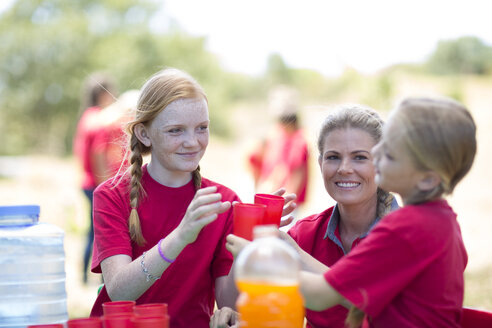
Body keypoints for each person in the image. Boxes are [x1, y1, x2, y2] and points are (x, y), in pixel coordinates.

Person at [89, 68, 295, 327]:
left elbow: (228, 304)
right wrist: (181, 235)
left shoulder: (223, 201)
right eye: (176, 130)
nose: (192, 142)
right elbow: (119, 291)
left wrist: (252, 247)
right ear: (144, 134)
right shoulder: (111, 196)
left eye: (202, 128)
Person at [210, 105, 399, 328]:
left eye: (359, 157)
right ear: (320, 164)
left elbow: (374, 300)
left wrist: (292, 255)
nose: (344, 168)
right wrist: (252, 244)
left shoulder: (408, 236)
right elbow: (241, 306)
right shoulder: (305, 233)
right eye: (333, 157)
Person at [299, 97, 476, 327]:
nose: (378, 154)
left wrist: (266, 253)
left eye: (390, 153)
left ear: (428, 179)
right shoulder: (443, 219)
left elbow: (319, 295)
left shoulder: (406, 229)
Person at [73, 72, 117, 284]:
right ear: (102, 94)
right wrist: (107, 185)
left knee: (92, 231)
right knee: (101, 233)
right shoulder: (99, 120)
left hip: (87, 182)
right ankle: (101, 279)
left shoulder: (87, 116)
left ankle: (84, 277)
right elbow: (99, 153)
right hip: (96, 184)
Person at [247, 86, 309, 215]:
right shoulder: (278, 135)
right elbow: (254, 158)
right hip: (272, 196)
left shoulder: (297, 141)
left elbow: (295, 172)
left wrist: (284, 201)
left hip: (282, 202)